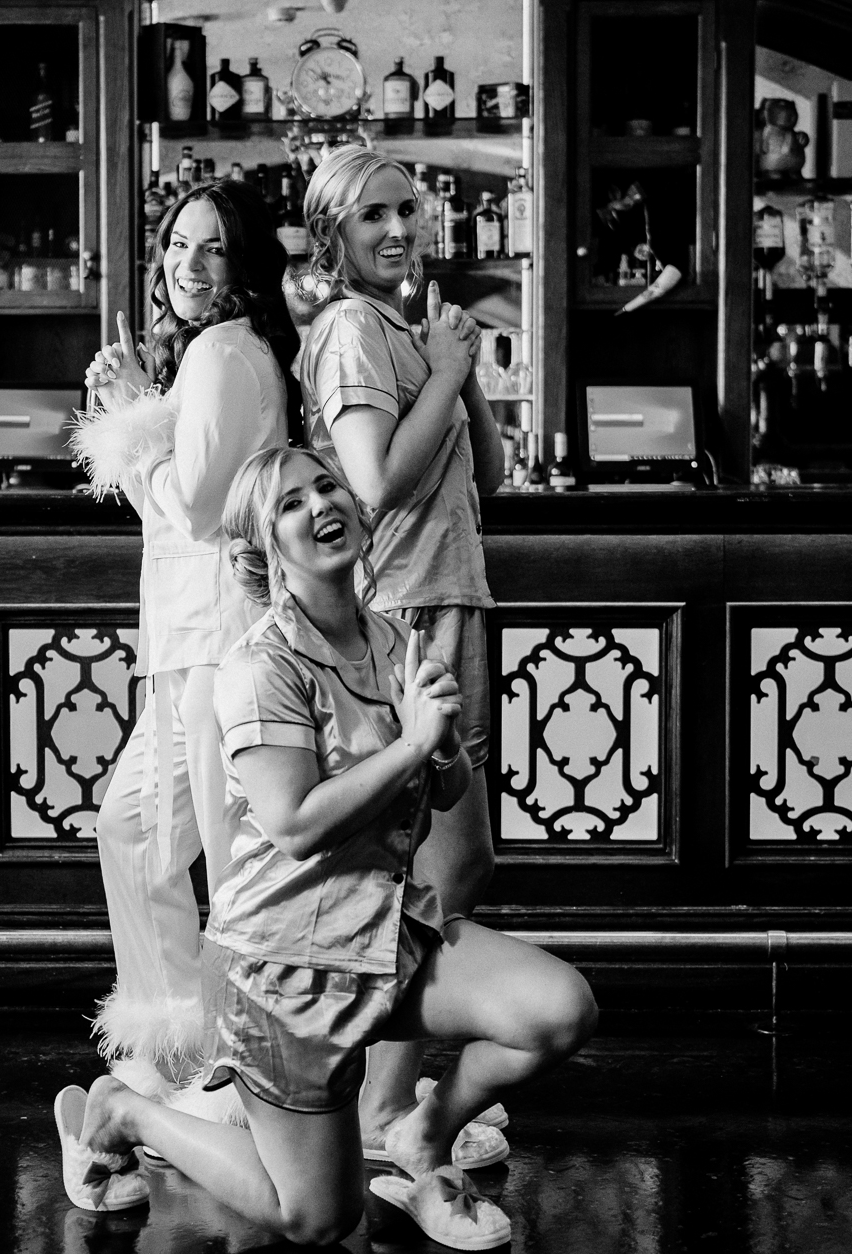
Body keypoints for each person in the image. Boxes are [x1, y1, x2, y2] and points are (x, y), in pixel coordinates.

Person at [52, 447, 596, 1249]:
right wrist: (412, 746)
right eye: (289, 504)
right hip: (279, 968)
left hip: (381, 928)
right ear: (264, 548)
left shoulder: (391, 637)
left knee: (559, 1011)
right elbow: (294, 823)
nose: (319, 505)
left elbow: (441, 795)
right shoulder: (259, 665)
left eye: (325, 485)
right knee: (319, 1217)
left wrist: (440, 744)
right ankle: (128, 1111)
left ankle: (420, 1136)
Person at [295, 144, 509, 1163]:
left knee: (445, 859)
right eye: (372, 215)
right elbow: (374, 482)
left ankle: (393, 1092)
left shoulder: (405, 329)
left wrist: (458, 370)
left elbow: (492, 474)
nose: (396, 230)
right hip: (406, 611)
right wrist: (450, 367)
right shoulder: (345, 330)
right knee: (436, 861)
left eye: (407, 211)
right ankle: (384, 1106)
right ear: (333, 234)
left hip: (449, 597)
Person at [70, 179, 302, 1115]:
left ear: (244, 266)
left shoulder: (221, 352)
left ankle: (236, 1067)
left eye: (212, 248)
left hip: (218, 644)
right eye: (177, 244)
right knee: (132, 831)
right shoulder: (213, 359)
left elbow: (200, 509)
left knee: (228, 857)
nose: (187, 264)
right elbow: (188, 493)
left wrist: (134, 421)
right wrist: (143, 415)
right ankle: (181, 1044)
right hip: (190, 641)